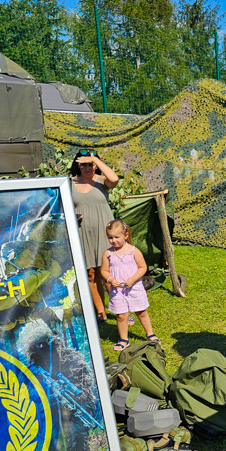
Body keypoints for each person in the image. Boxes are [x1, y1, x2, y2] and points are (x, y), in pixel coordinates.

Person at [70, 149, 119, 322]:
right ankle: (100, 312)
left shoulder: (102, 181)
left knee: (108, 272)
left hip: (105, 232)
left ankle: (119, 309)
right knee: (91, 273)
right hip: (83, 232)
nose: (87, 168)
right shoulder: (69, 183)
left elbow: (115, 179)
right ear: (78, 165)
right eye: (83, 164)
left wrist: (95, 160)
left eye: (90, 164)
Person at [100, 220, 157, 351]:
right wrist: (110, 279)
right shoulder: (108, 254)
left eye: (116, 237)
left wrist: (132, 279)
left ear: (126, 235)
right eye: (110, 237)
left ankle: (150, 334)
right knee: (121, 315)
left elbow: (143, 267)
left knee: (141, 311)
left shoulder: (133, 251)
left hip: (134, 288)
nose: (113, 240)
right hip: (118, 290)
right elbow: (103, 270)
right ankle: (124, 339)